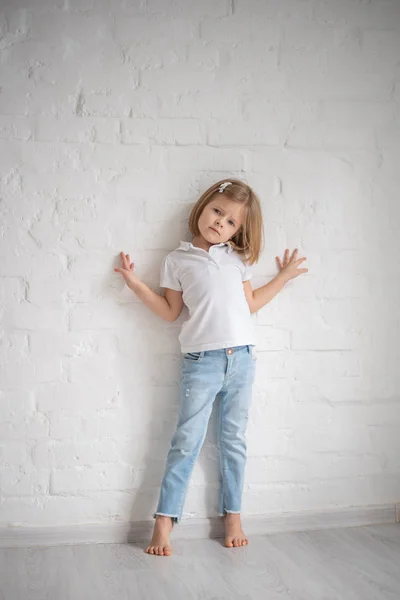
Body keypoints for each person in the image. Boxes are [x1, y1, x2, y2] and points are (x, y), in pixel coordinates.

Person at [114, 178, 308, 556]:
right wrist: (136, 285)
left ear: (239, 230)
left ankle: (232, 515)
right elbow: (171, 312)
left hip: (243, 359)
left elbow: (250, 305)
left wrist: (282, 278)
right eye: (218, 211)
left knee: (233, 440)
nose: (221, 223)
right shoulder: (177, 260)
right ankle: (164, 521)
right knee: (186, 441)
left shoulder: (238, 260)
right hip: (202, 363)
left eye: (232, 222)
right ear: (203, 207)